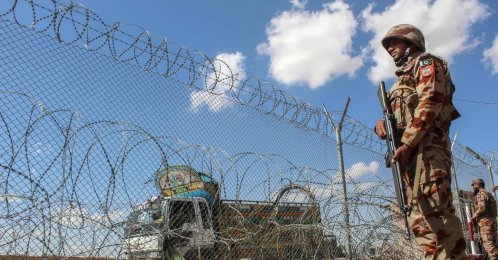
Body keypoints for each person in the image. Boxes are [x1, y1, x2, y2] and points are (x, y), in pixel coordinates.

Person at [374, 24, 466, 259]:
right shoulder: (400, 81)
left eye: (395, 43)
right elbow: (404, 113)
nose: (390, 49)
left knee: (437, 217)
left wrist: (407, 142)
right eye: (388, 46)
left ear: (412, 43)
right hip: (411, 155)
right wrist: (382, 124)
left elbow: (430, 101)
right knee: (421, 220)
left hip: (427, 152)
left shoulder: (425, 63)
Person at [471, 178, 498, 259]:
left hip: (485, 222)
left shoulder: (480, 194)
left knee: (488, 244)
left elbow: (482, 208)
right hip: (492, 220)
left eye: (474, 185)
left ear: (478, 185)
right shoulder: (488, 194)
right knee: (494, 243)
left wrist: (473, 217)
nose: (473, 187)